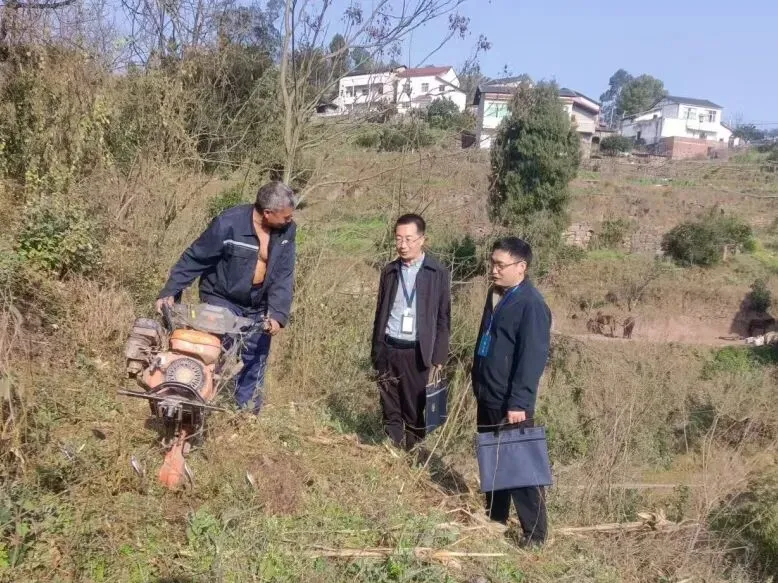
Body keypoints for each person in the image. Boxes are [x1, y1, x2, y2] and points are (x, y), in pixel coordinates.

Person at [156, 181, 297, 413]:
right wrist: (170, 291)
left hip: (258, 303)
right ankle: (197, 404)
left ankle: (246, 414)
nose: (290, 220)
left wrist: (278, 314)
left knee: (255, 355)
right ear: (267, 213)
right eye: (286, 216)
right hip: (222, 296)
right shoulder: (228, 223)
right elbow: (196, 258)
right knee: (218, 350)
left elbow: (284, 274)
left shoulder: (287, 231)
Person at [471, 237, 552, 547]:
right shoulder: (497, 295)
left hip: (511, 402)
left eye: (500, 265)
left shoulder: (531, 305)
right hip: (488, 392)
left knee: (520, 468)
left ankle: (535, 535)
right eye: (492, 263)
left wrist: (519, 401)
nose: (494, 270)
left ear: (521, 267)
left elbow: (532, 358)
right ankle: (495, 519)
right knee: (492, 461)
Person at [371, 214, 451, 451]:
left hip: (417, 352)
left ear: (422, 239)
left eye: (408, 239)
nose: (402, 245)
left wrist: (438, 357)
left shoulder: (437, 272)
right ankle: (393, 450)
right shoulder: (390, 271)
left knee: (414, 408)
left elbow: (443, 317)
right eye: (398, 239)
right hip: (388, 347)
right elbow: (380, 312)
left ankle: (413, 452)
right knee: (389, 405)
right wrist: (376, 349)